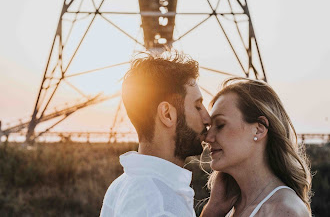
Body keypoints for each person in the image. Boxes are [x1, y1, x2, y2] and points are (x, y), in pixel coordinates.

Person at [100, 52, 215, 216]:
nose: (207, 118)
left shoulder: (122, 186)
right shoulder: (155, 200)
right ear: (167, 114)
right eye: (197, 107)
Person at [201, 77, 312, 217]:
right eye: (210, 127)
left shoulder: (284, 211)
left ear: (259, 129)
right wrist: (213, 210)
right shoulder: (228, 208)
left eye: (220, 125)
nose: (207, 138)